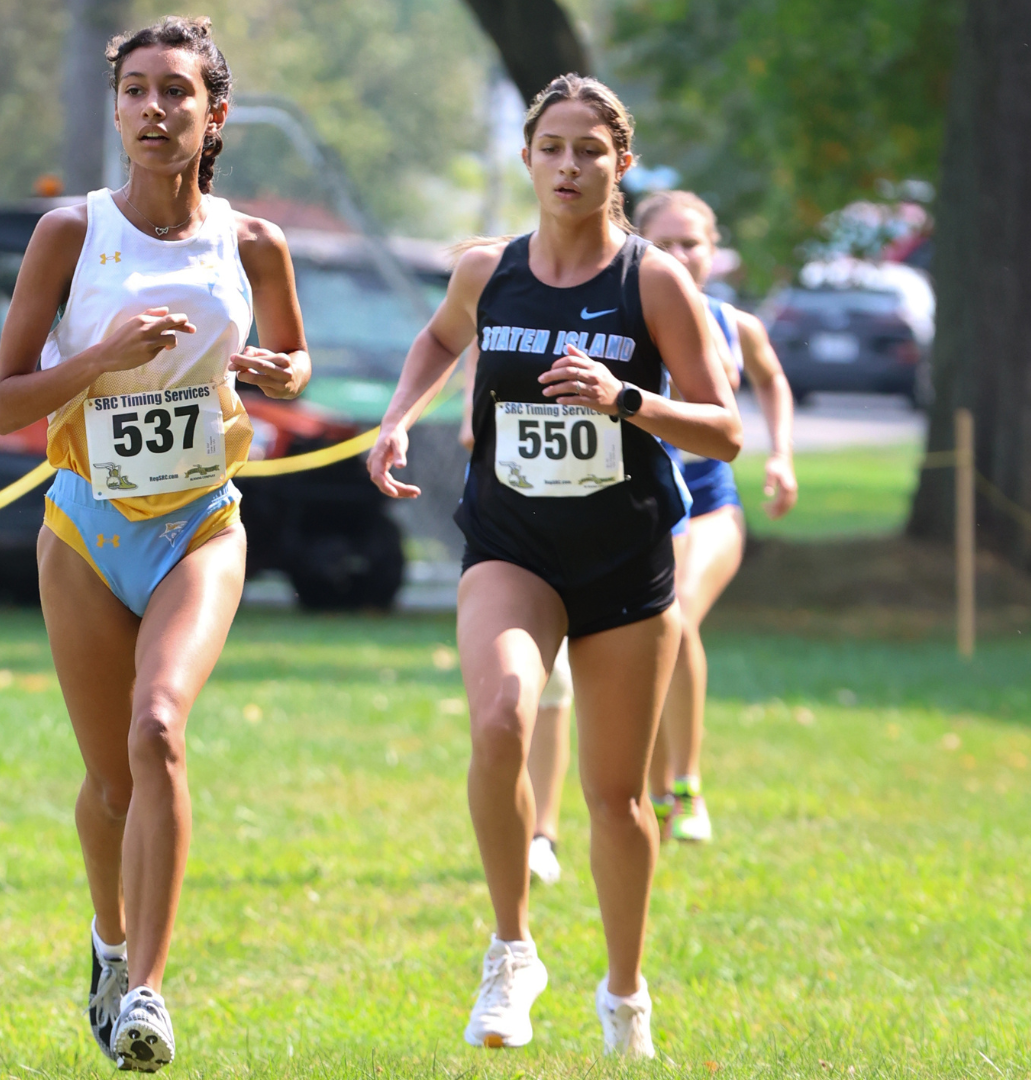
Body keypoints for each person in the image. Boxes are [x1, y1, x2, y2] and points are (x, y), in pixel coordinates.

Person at [368, 73, 741, 1058]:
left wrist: (626, 400)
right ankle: (511, 949)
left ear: (622, 161)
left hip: (623, 555)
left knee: (615, 798)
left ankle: (624, 994)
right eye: (551, 148)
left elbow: (725, 429)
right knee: (499, 720)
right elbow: (440, 339)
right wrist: (399, 418)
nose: (569, 166)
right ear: (526, 159)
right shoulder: (488, 270)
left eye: (590, 149)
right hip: (512, 542)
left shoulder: (653, 280)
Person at [0, 16, 310, 1072]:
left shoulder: (251, 242)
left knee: (159, 727)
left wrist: (277, 372)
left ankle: (150, 996)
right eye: (136, 90)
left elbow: (296, 358)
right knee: (111, 783)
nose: (155, 110)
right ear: (116, 107)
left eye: (178, 92)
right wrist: (108, 356)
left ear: (216, 114)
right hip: (83, 525)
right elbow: (4, 406)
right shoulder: (70, 236)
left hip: (200, 522)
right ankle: (108, 942)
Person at [633, 191, 798, 843]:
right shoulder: (623, 317)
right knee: (648, 638)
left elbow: (772, 378)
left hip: (708, 503)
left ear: (712, 249)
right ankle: (645, 795)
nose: (679, 256)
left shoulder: (734, 323)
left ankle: (686, 787)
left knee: (672, 618)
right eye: (664, 244)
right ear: (637, 243)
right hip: (641, 504)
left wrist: (781, 455)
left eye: (691, 244)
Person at [459, 347, 573, 886]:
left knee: (557, 691)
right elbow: (469, 432)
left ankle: (543, 832)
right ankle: (526, 836)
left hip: (590, 536)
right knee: (508, 704)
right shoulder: (493, 314)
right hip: (509, 533)